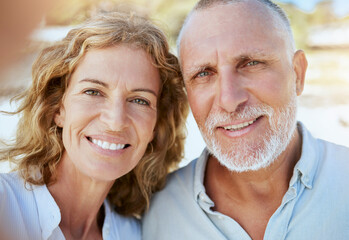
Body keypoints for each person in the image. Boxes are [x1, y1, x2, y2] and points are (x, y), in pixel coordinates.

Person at [142, 0, 349, 239]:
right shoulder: (156, 215)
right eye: (204, 73)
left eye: (251, 63)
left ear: (297, 74)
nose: (229, 100)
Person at [0, 11, 188, 240]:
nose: (115, 121)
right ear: (57, 109)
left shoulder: (136, 234)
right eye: (93, 91)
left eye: (140, 100)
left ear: (155, 127)